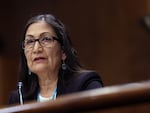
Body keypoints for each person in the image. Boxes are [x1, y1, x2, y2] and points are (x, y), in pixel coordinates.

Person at [8, 14, 103, 105]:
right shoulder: (18, 98)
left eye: (46, 39)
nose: (36, 49)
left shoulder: (85, 85)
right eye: (30, 41)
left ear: (63, 51)